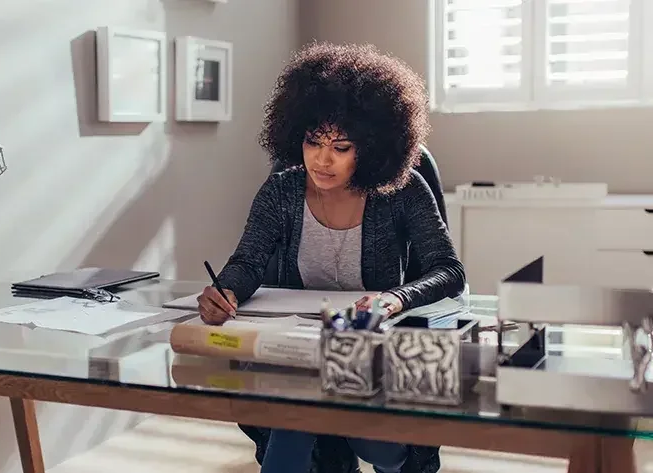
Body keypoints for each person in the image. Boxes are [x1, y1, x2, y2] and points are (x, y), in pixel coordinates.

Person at [195, 41, 465, 473]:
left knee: (378, 446)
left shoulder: (404, 190)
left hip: (375, 349)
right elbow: (247, 262)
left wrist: (394, 299)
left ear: (373, 147)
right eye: (312, 142)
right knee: (292, 414)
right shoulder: (281, 191)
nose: (322, 160)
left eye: (341, 147)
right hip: (303, 349)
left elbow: (449, 271)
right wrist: (224, 289)